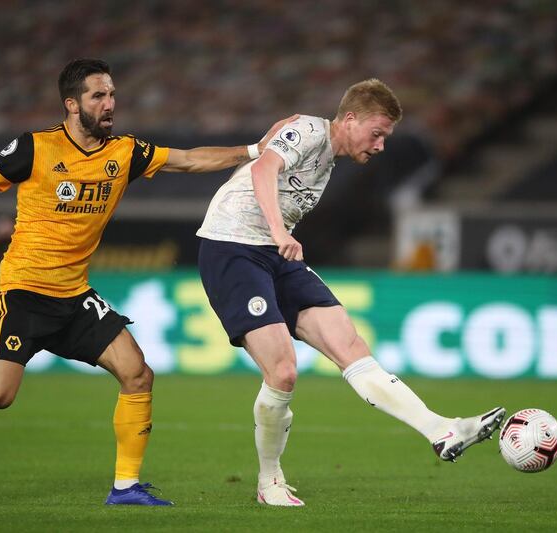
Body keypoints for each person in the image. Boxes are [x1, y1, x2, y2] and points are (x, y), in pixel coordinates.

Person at [0, 58, 292, 507]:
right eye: (98, 95)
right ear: (72, 104)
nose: (110, 104)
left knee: (137, 373)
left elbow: (189, 160)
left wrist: (255, 150)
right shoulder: (35, 148)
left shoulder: (125, 152)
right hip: (25, 291)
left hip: (75, 296)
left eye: (112, 94)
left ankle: (126, 487)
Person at [196, 79, 505, 507]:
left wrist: (278, 237)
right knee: (283, 372)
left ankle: (441, 430)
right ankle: (269, 482)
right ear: (350, 119)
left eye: (386, 137)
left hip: (274, 253)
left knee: (351, 344)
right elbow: (264, 169)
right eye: (376, 133)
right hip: (232, 247)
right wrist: (279, 230)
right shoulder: (306, 129)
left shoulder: (328, 159)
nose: (379, 146)